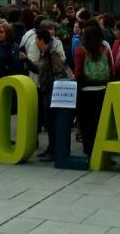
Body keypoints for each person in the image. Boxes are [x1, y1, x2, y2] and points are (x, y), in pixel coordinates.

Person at [32, 27, 71, 162]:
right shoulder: (43, 54)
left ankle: (54, 150)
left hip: (52, 91)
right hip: (46, 90)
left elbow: (59, 71)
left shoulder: (51, 53)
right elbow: (40, 70)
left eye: (36, 38)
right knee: (48, 121)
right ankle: (50, 148)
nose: (35, 41)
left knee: (52, 121)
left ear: (42, 40)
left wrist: (53, 84)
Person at [74, 24, 113, 157]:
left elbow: (78, 72)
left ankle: (89, 149)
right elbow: (112, 70)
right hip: (102, 89)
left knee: (86, 122)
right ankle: (101, 149)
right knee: (100, 121)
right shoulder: (105, 49)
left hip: (85, 91)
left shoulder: (81, 50)